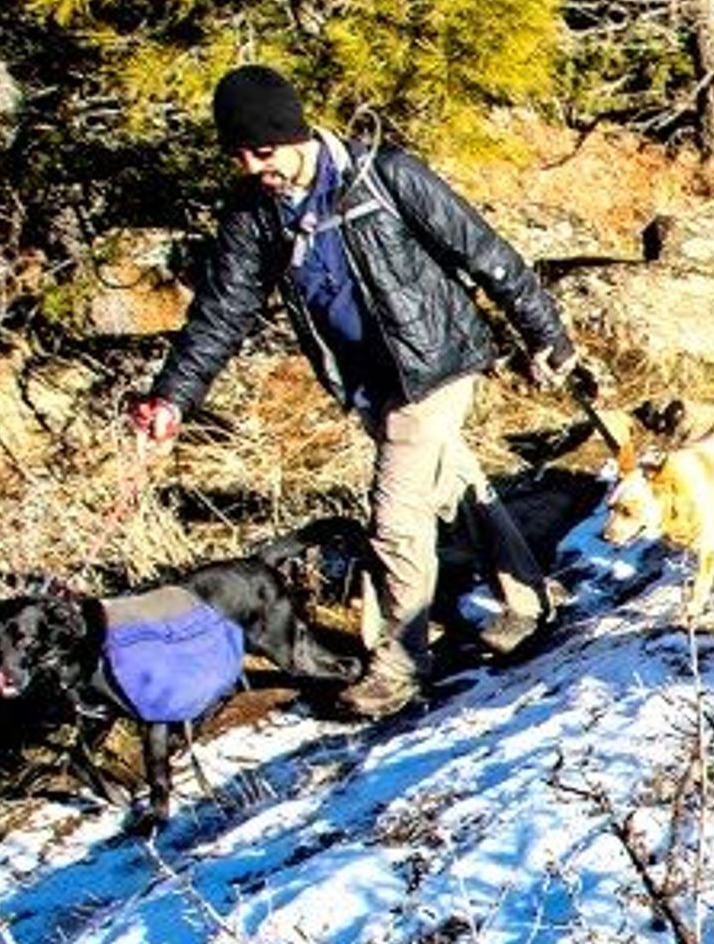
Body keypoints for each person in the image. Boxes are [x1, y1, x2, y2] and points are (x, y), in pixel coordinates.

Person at [129, 64, 578, 723]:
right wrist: (173, 398)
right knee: (453, 485)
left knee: (395, 518)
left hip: (435, 365)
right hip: (371, 383)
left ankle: (397, 665)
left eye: (264, 150)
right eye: (240, 155)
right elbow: (221, 314)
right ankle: (530, 600)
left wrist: (545, 331)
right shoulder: (256, 216)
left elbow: (485, 251)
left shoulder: (384, 176)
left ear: (296, 133)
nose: (255, 166)